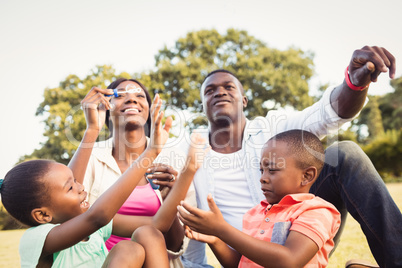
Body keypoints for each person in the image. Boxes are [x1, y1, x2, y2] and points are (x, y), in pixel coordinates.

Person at [180, 46, 402, 268]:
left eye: (229, 87)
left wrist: (354, 84)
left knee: (344, 153)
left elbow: (326, 115)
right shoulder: (187, 149)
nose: (219, 92)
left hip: (298, 238)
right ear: (202, 105)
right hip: (241, 253)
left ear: (244, 100)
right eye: (210, 90)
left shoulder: (273, 129)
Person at [0, 95, 176, 267]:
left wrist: (188, 173)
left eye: (75, 180)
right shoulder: (35, 239)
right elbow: (98, 216)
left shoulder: (95, 227)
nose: (80, 186)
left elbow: (158, 224)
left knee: (139, 241)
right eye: (70, 187)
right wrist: (151, 152)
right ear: (43, 215)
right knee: (127, 248)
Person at [68, 78, 193, 267]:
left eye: (139, 95)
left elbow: (176, 246)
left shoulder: (173, 158)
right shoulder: (90, 154)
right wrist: (92, 129)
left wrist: (170, 197)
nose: (132, 99)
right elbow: (65, 212)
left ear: (149, 110)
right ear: (106, 107)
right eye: (121, 94)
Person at [178, 129, 341, 267]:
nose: (262, 178)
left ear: (306, 176)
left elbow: (290, 260)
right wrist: (215, 239)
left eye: (272, 170)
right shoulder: (255, 213)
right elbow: (241, 263)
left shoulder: (316, 212)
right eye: (261, 170)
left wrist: (222, 229)